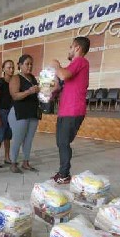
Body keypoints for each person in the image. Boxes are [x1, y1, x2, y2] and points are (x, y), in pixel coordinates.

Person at [50, 36, 91, 184]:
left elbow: (64, 74)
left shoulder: (80, 61)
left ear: (77, 48)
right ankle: (63, 172)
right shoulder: (74, 66)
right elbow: (60, 84)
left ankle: (64, 174)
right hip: (66, 110)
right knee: (61, 142)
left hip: (73, 110)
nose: (69, 50)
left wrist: (56, 65)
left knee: (63, 142)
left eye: (70, 47)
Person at [8, 54, 41, 174]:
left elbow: (36, 93)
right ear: (20, 65)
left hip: (32, 112)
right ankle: (13, 163)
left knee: (29, 139)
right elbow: (15, 95)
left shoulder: (32, 78)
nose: (30, 66)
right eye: (27, 64)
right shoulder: (16, 78)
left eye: (31, 64)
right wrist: (28, 91)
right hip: (19, 112)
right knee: (18, 139)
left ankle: (26, 162)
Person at [0, 60, 15, 168]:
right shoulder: (0, 82)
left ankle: (7, 157)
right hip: (2, 111)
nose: (11, 69)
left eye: (12, 67)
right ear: (3, 69)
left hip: (12, 112)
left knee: (8, 135)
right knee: (0, 135)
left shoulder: (15, 81)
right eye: (8, 67)